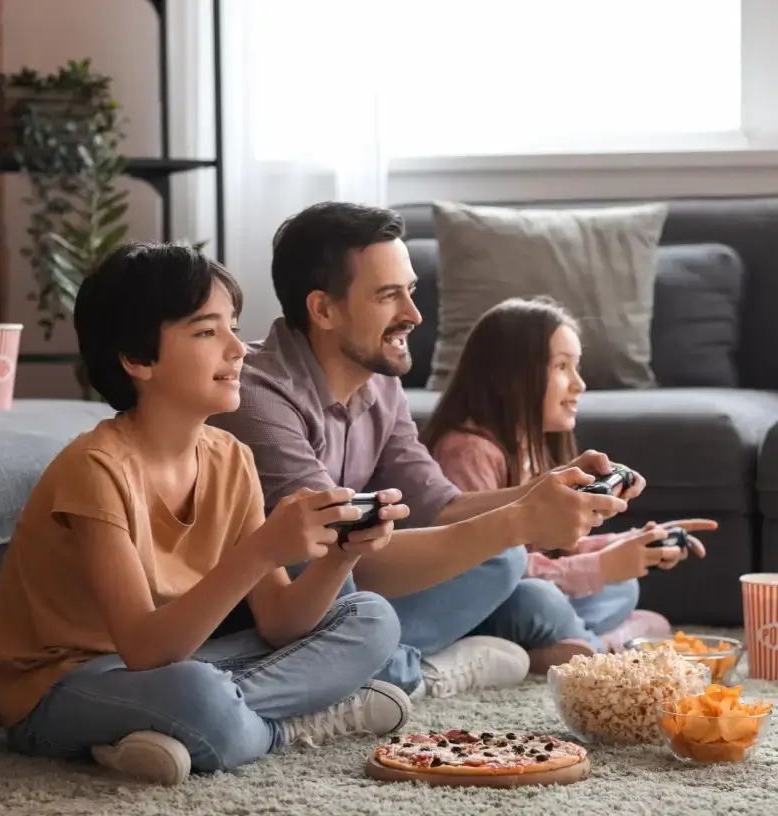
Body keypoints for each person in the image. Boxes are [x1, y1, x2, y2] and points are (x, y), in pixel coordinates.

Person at [0, 242, 413, 788]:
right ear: (138, 360)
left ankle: (177, 730)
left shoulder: (230, 457)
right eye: (208, 332)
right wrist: (262, 550)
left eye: (233, 327)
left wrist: (339, 555)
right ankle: (287, 726)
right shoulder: (95, 468)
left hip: (176, 665)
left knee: (371, 617)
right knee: (197, 695)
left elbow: (279, 622)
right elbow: (143, 649)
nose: (238, 348)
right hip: (61, 687)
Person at [209, 201, 641, 694]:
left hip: (355, 593)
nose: (414, 315)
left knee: (525, 589)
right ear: (323, 309)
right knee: (496, 561)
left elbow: (440, 507)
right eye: (388, 296)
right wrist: (520, 520)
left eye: (410, 291)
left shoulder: (381, 382)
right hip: (292, 610)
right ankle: (410, 668)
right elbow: (335, 557)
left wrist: (550, 487)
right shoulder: (257, 397)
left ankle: (415, 659)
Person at [422, 296, 718, 653]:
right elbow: (489, 569)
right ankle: (599, 647)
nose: (579, 384)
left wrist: (632, 544)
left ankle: (578, 644)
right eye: (562, 366)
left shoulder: (530, 446)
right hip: (484, 602)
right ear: (507, 378)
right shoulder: (469, 451)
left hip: (531, 591)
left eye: (576, 367)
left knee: (625, 588)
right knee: (539, 601)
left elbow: (557, 552)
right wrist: (600, 567)